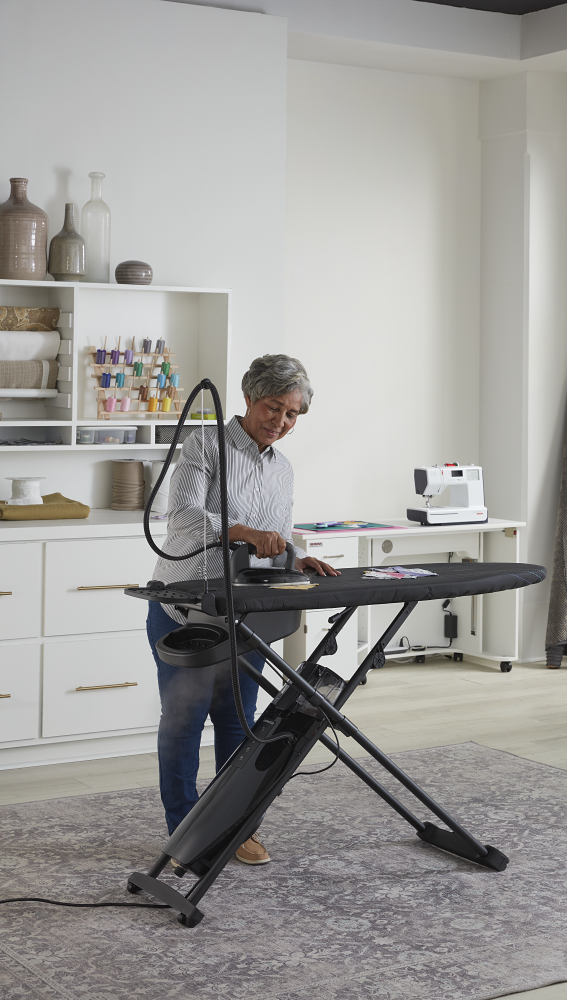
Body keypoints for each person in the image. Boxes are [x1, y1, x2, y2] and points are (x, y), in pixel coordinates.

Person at [146, 354, 339, 865]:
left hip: (244, 618)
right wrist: (241, 531)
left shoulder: (284, 469)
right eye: (274, 407)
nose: (281, 421)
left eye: (292, 414)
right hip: (187, 612)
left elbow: (275, 540)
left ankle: (233, 827)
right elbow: (184, 521)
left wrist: (298, 556)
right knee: (183, 724)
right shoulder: (204, 445)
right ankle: (185, 832)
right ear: (250, 397)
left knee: (240, 723)